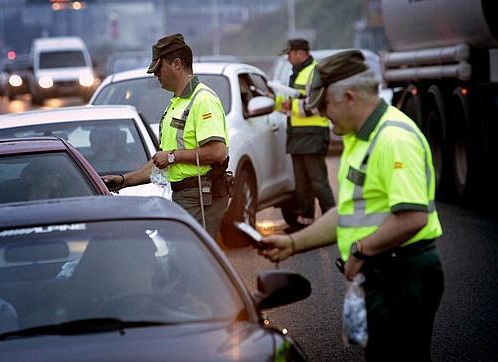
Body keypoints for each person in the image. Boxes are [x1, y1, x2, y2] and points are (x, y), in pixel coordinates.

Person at [258, 50, 444, 361]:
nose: (321, 113)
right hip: (385, 272)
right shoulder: (360, 138)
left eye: (324, 105)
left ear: (348, 97)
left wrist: (360, 250)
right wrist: (292, 243)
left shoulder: (393, 139)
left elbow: (413, 217)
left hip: (404, 275)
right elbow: (348, 214)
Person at [103, 33, 230, 239]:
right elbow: (160, 162)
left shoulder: (202, 99)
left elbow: (217, 152)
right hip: (184, 196)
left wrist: (172, 156)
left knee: (192, 264)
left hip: (200, 196)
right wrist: (124, 180)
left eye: (158, 68)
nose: (156, 75)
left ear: (176, 64)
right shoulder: (175, 104)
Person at [278, 39, 335, 233]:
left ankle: (331, 223)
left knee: (318, 181)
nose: (288, 57)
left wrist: (290, 106)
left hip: (313, 134)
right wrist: (276, 101)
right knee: (302, 184)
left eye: (290, 54)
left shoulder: (314, 72)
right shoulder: (296, 73)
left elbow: (316, 103)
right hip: (298, 135)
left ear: (300, 53)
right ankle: (305, 224)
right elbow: (290, 101)